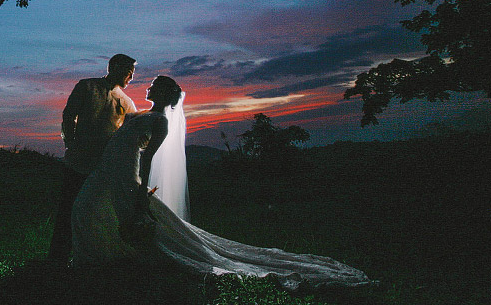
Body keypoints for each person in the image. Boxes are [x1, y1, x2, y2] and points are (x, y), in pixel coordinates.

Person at [70, 75, 371, 291]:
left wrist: (140, 190)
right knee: (86, 209)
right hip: (106, 171)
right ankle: (98, 262)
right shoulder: (141, 114)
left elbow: (148, 158)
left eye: (154, 85)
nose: (147, 86)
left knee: (90, 210)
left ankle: (102, 266)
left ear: (162, 93)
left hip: (125, 175)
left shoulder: (159, 121)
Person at [48, 54, 138, 262]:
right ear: (113, 66)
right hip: (77, 161)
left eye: (133, 73)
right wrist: (70, 143)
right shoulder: (86, 86)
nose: (131, 78)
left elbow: (130, 132)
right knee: (68, 210)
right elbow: (68, 116)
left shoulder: (127, 101)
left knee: (95, 212)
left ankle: (90, 257)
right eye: (128, 72)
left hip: (104, 165)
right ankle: (57, 259)